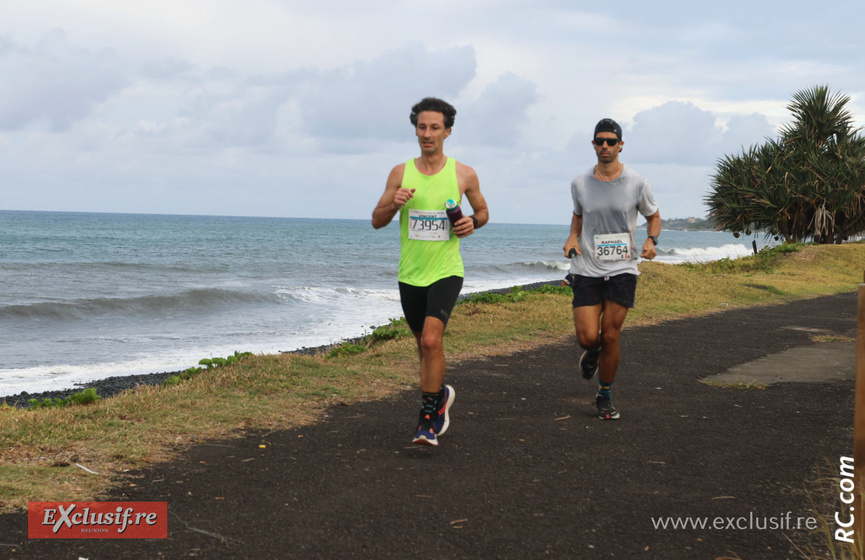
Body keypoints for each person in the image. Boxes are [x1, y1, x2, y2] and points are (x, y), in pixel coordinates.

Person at [372, 97, 489, 446]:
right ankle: (439, 396)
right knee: (423, 349)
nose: (427, 133)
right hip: (410, 273)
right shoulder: (400, 173)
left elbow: (482, 211)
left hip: (446, 270)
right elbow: (376, 221)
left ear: (447, 131)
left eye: (434, 127)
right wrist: (394, 205)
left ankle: (427, 420)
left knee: (431, 340)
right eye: (422, 127)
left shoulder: (463, 174)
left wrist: (472, 223)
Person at [562, 118, 661, 420]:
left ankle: (604, 393)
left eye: (610, 141)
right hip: (587, 266)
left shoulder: (637, 182)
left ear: (620, 145)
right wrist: (571, 237)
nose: (604, 146)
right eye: (599, 141)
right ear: (593, 144)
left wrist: (651, 240)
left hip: (623, 267)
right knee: (587, 337)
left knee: (611, 336)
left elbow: (653, 217)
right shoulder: (579, 183)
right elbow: (578, 216)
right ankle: (591, 353)